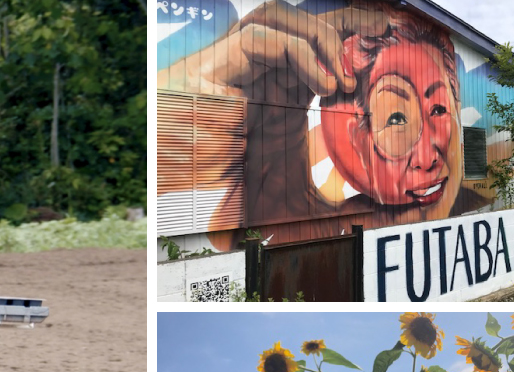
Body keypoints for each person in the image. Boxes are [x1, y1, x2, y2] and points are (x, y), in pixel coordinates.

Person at [158, 1, 484, 248]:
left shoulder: (482, 211)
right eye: (396, 118)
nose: (427, 157)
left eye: (439, 108)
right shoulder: (332, 232)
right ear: (352, 139)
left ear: (457, 107)